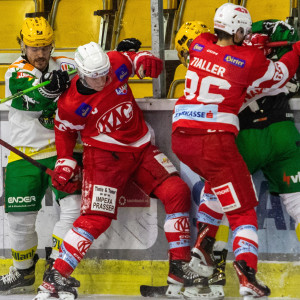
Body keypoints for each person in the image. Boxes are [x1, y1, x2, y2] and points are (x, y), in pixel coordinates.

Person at [32, 41, 201, 300]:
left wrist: (144, 59)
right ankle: (57, 276)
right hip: (104, 159)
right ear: (82, 73)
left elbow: (133, 59)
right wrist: (65, 162)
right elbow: (64, 130)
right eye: (96, 76)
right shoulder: (71, 104)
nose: (103, 79)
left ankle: (179, 269)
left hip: (141, 148)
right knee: (95, 218)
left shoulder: (115, 63)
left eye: (105, 73)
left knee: (177, 191)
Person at [171, 2, 300, 299]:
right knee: (243, 211)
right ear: (239, 31)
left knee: (214, 192)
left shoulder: (201, 44)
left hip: (182, 137)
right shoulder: (251, 60)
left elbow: (218, 48)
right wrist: (295, 50)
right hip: (214, 139)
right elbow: (281, 73)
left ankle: (203, 258)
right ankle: (246, 277)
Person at [1, 17, 82, 294]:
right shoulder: (15, 72)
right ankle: (23, 272)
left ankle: (56, 268)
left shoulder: (68, 65)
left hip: (63, 152)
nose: (40, 54)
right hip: (24, 154)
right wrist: (50, 89)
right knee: (19, 221)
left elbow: (97, 71)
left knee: (74, 208)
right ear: (21, 45)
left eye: (45, 47)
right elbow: (32, 101)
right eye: (34, 47)